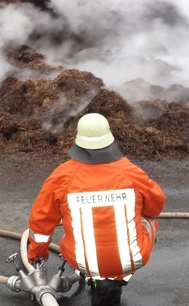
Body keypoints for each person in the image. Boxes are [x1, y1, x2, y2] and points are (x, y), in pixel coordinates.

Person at [27, 113, 166, 306]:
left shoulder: (62, 176)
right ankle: (116, 277)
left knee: (69, 237)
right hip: (132, 259)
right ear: (109, 139)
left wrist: (37, 254)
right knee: (149, 220)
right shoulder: (130, 171)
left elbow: (41, 222)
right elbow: (156, 205)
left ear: (78, 140)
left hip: (82, 261)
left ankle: (94, 276)